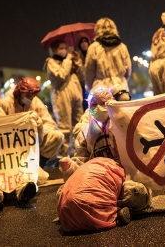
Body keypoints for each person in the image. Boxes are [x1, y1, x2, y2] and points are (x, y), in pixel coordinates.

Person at [59, 85, 151, 226]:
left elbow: (141, 153)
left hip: (123, 179)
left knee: (135, 192)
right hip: (97, 180)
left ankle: (107, 209)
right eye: (94, 104)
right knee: (63, 194)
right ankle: (117, 210)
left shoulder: (124, 124)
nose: (98, 108)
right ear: (88, 106)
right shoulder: (85, 133)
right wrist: (70, 167)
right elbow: (81, 164)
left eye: (103, 103)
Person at [0, 77, 64, 211]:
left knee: (56, 136)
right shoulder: (2, 105)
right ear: (19, 93)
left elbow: (50, 123)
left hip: (26, 155)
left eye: (32, 96)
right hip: (5, 155)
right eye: (27, 96)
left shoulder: (35, 103)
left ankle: (29, 179)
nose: (30, 99)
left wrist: (37, 131)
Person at [43, 39, 84, 158]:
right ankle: (62, 157)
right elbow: (61, 76)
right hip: (61, 96)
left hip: (75, 95)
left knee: (79, 125)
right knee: (64, 128)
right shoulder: (51, 62)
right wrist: (67, 60)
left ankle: (79, 152)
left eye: (66, 48)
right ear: (54, 49)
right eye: (61, 48)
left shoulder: (70, 61)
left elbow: (82, 76)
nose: (65, 50)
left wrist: (78, 61)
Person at [85, 18, 132, 92]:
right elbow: (128, 70)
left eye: (108, 27)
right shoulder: (122, 47)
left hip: (101, 89)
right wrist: (121, 80)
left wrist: (89, 88)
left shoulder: (93, 48)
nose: (107, 29)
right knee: (122, 103)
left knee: (102, 104)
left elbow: (89, 72)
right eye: (104, 27)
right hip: (120, 86)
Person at [76, 33, 91, 111]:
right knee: (85, 108)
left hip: (92, 85)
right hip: (82, 88)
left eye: (85, 41)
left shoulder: (92, 55)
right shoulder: (77, 57)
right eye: (81, 42)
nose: (84, 43)